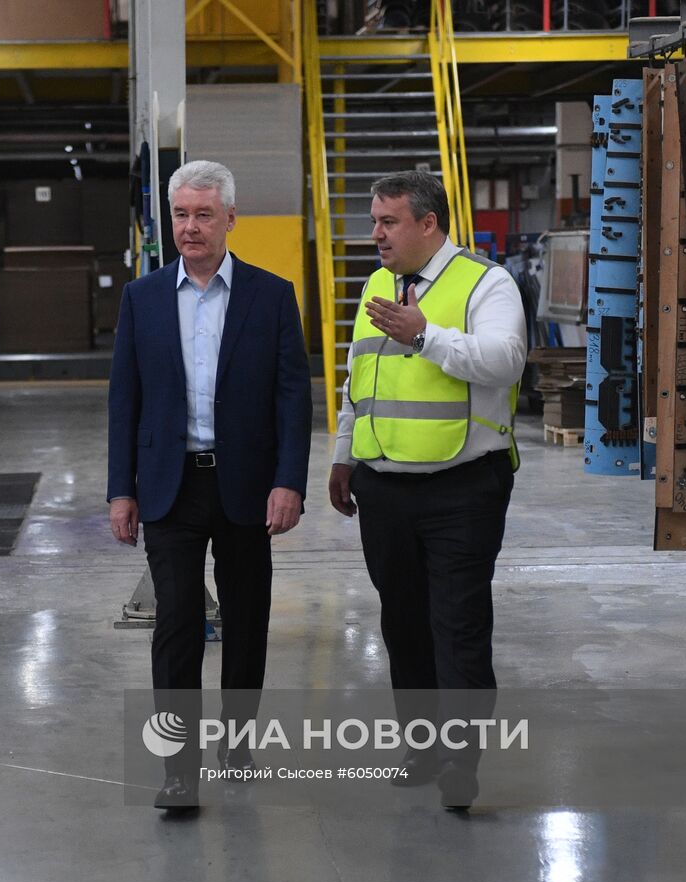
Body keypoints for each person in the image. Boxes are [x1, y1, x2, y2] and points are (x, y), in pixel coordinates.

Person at [107, 159, 312, 812]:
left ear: (230, 218)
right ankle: (179, 769)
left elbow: (293, 398)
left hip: (246, 485)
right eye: (180, 214)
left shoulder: (270, 296)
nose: (190, 227)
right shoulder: (142, 298)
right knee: (176, 625)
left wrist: (289, 481)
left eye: (203, 214)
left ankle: (239, 745)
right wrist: (120, 490)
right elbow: (124, 400)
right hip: (170, 487)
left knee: (247, 621)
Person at [326, 170, 526, 811]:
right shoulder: (377, 286)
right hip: (384, 487)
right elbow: (359, 378)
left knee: (457, 622)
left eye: (388, 222)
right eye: (374, 221)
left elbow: (505, 361)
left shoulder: (485, 283)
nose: (376, 234)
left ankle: (461, 760)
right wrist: (343, 456)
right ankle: (423, 745)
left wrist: (425, 335)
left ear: (428, 223)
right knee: (403, 623)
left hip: (462, 489)